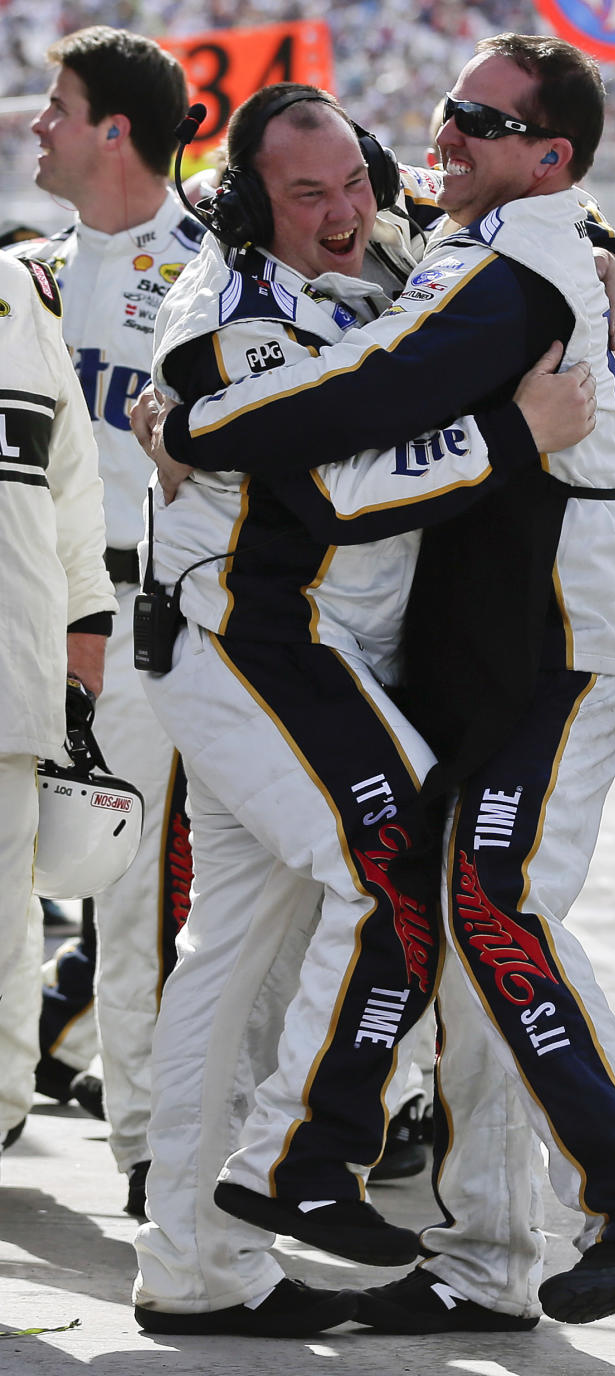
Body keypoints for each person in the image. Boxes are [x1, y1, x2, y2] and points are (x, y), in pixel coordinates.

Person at [142, 34, 615, 1334]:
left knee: (471, 915)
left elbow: (462, 324)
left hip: (523, 646)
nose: (361, 200)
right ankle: (262, 1233)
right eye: (313, 192)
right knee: (335, 935)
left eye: (365, 172)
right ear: (252, 197)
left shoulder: (448, 239)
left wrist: (610, 280)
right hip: (273, 655)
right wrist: (184, 411)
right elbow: (343, 459)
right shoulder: (235, 307)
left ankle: (571, 1218)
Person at [3, 26, 203, 1217]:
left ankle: (143, 1142)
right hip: (30, 605)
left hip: (149, 617)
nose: (36, 125)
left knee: (130, 896)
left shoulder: (212, 267)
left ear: (113, 129)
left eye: (55, 107)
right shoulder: (21, 271)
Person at [0, 253, 116, 1164]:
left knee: (8, 928)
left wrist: (82, 643)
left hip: (11, 681)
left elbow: (72, 491)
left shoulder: (20, 295)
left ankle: (1, 1111)